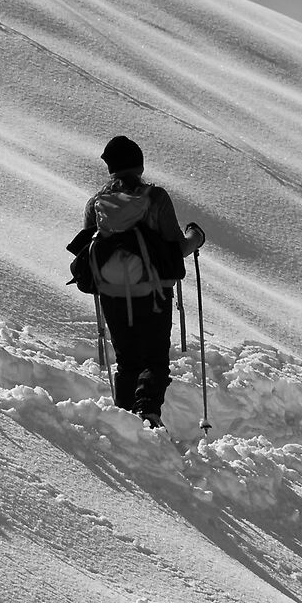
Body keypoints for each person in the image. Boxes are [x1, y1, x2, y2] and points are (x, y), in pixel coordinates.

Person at [65, 135, 203, 427]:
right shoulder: (155, 198)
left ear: (110, 168)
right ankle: (148, 413)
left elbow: (91, 250)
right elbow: (176, 248)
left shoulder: (96, 204)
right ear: (139, 165)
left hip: (112, 293)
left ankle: (124, 419)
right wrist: (196, 236)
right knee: (154, 359)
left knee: (127, 360)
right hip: (154, 294)